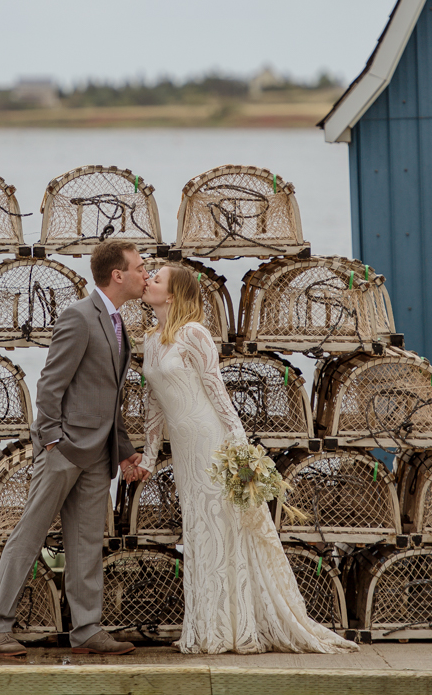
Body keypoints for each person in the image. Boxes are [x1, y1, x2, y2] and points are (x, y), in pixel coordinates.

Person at [139, 264, 358, 654]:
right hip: (185, 450)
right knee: (199, 532)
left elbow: (216, 389)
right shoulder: (151, 339)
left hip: (211, 442)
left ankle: (230, 628)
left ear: (172, 295)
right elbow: (153, 403)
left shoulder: (194, 334)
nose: (148, 281)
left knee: (222, 530)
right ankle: (206, 626)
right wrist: (150, 456)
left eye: (156, 278)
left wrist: (238, 443)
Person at [0, 239, 150, 657]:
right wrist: (53, 441)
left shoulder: (117, 323)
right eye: (140, 268)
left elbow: (105, 396)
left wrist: (124, 448)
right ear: (118, 275)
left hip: (98, 454)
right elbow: (50, 386)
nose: (145, 274)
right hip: (64, 450)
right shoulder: (78, 317)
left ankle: (87, 630)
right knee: (30, 534)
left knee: (87, 543)